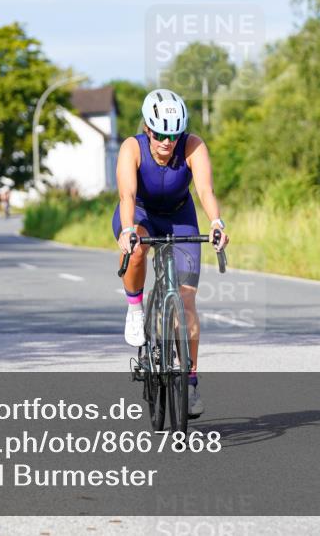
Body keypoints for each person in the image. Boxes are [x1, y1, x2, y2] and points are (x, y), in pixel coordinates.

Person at [113, 88, 229, 417]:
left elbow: (205, 189)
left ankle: (190, 382)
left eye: (174, 135)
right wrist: (127, 230)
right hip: (140, 213)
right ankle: (135, 309)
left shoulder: (193, 146)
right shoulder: (132, 148)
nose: (167, 142)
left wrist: (216, 222)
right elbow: (127, 195)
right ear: (147, 129)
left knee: (187, 302)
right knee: (137, 250)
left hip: (180, 217)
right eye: (160, 134)